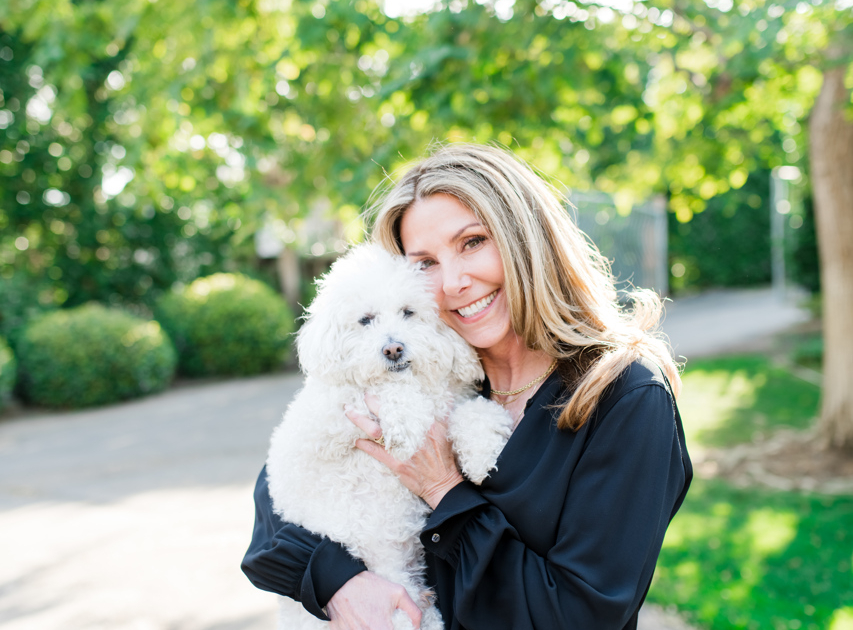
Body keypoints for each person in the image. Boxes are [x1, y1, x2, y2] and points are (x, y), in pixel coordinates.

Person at [242, 143, 692, 630]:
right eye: (426, 263)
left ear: (526, 240)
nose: (454, 281)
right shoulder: (433, 376)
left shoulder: (625, 398)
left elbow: (580, 615)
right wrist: (341, 584)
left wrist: (444, 490)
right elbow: (273, 520)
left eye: (473, 242)